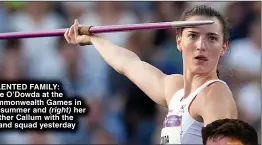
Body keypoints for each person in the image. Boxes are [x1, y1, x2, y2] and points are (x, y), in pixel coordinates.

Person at [64, 5, 238, 144]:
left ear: (224, 47)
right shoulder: (175, 90)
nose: (201, 45)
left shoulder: (215, 95)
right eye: (193, 36)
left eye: (212, 38)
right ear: (179, 41)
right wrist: (94, 38)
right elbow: (128, 64)